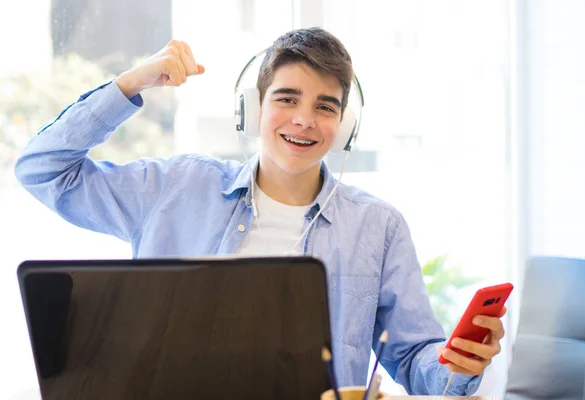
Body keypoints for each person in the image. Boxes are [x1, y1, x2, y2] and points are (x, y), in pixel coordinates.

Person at [15, 27, 505, 395]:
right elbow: (43, 169)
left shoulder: (377, 227)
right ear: (252, 109)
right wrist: (132, 84)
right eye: (287, 98)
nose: (303, 120)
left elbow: (416, 359)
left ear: (344, 126)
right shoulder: (176, 187)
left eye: (326, 107)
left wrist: (457, 366)